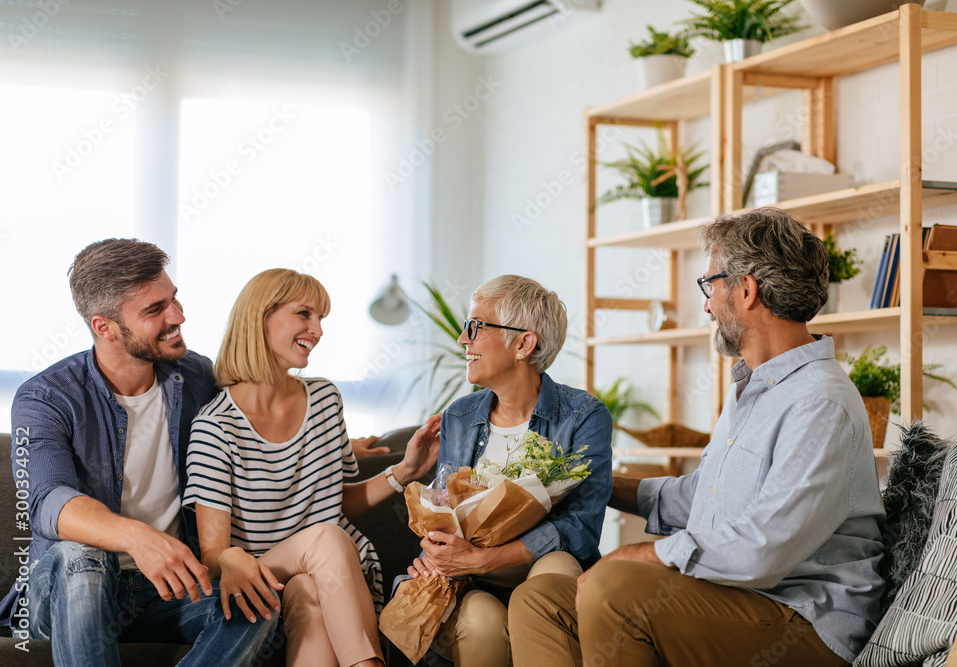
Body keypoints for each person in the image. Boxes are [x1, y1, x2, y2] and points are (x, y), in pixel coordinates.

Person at [509, 208, 886, 666]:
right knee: (541, 598)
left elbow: (765, 547)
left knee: (614, 588)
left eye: (710, 285)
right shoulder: (753, 386)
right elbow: (705, 497)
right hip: (736, 597)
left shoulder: (820, 402)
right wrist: (597, 483)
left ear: (746, 290)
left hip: (801, 620)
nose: (706, 304)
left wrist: (644, 554)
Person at [1, 239, 278, 666]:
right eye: (155, 310)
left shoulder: (196, 377)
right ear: (104, 327)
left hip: (166, 590)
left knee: (253, 602)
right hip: (72, 589)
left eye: (174, 299)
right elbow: (48, 502)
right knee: (81, 555)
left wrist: (348, 445)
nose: (178, 317)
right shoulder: (45, 397)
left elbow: (250, 423)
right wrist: (140, 538)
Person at [183, 268, 440, 667]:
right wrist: (230, 559)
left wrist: (405, 471)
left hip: (327, 577)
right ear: (261, 318)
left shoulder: (324, 399)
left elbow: (338, 503)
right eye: (305, 314)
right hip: (260, 579)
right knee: (327, 539)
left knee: (310, 584)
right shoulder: (215, 427)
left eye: (321, 318)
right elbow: (215, 553)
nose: (317, 330)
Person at [407, 275, 613, 666]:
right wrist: (436, 551)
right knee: (481, 622)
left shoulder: (583, 416)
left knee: (551, 574)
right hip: (475, 582)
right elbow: (446, 509)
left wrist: (484, 559)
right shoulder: (459, 416)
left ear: (523, 343)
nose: (462, 339)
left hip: (543, 564)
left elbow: (580, 530)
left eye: (475, 327)